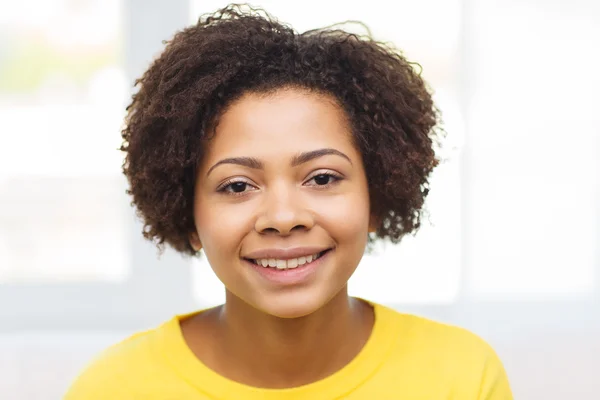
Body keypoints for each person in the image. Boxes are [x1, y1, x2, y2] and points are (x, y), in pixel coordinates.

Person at [64, 4, 513, 399]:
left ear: (377, 196)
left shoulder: (461, 378)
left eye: (321, 177)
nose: (283, 218)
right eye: (237, 186)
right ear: (186, 212)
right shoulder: (113, 389)